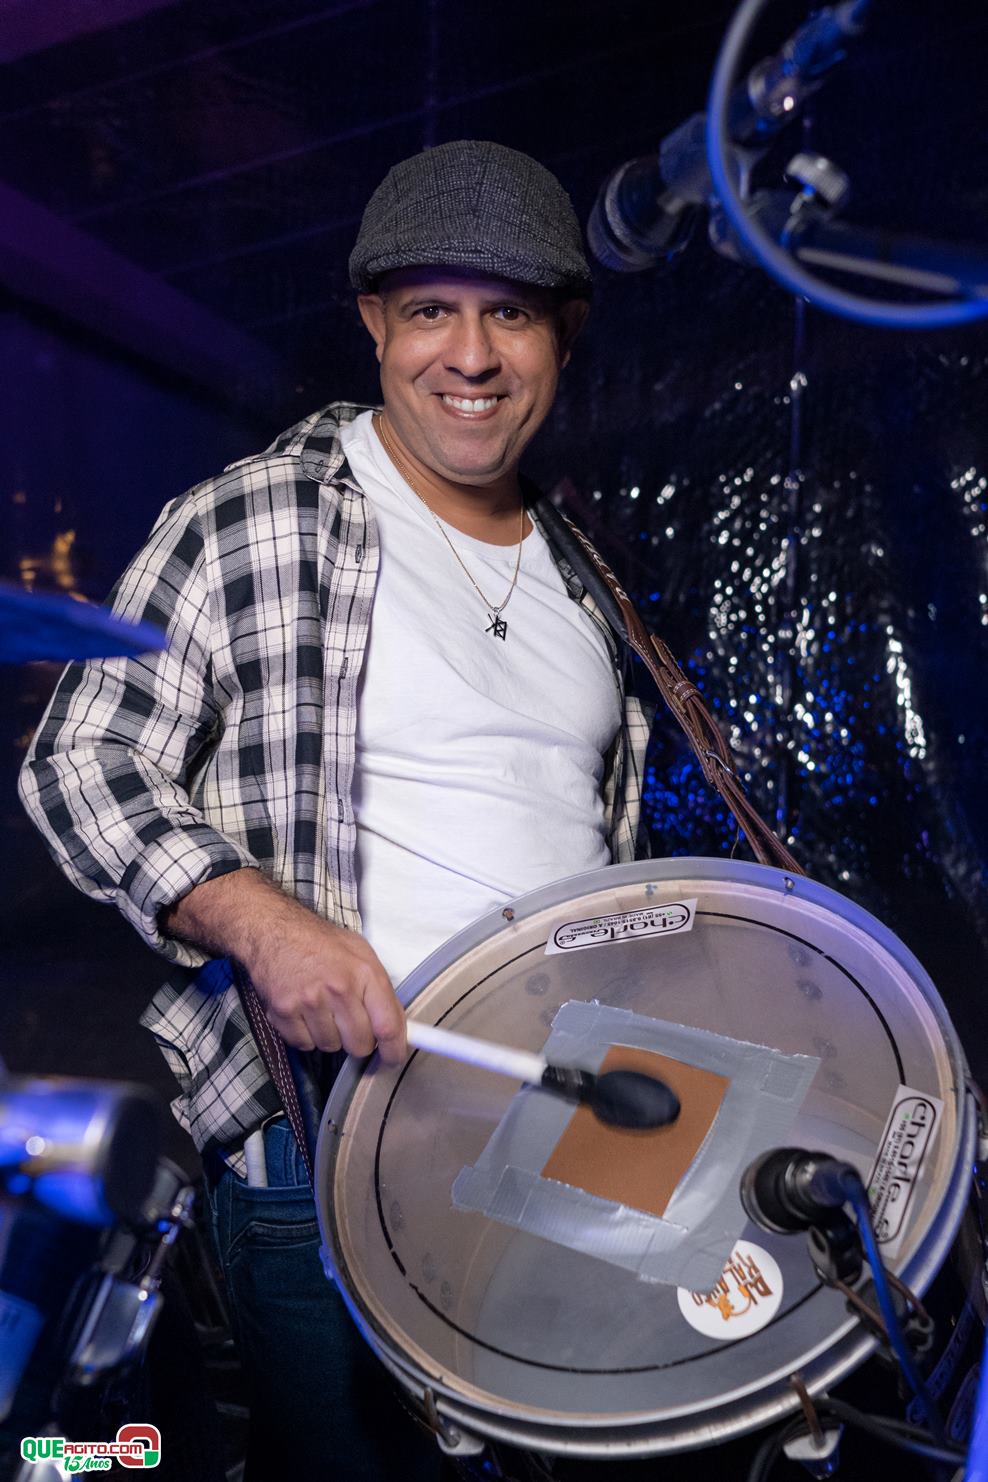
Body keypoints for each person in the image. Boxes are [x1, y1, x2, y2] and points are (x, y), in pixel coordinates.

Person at [19, 140, 651, 1478]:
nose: (470, 355)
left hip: (565, 1148)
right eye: (430, 310)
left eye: (511, 312)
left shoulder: (587, 577)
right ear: (373, 322)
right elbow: (79, 760)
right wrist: (264, 924)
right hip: (327, 1146)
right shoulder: (251, 520)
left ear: (566, 331)